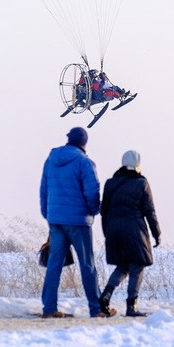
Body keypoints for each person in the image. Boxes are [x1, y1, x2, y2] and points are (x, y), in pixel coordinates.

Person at [39, 127, 115, 318]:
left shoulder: (51, 160)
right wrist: (94, 210)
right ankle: (96, 309)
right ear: (84, 143)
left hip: (55, 220)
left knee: (54, 264)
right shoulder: (85, 162)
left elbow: (43, 190)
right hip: (79, 221)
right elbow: (92, 191)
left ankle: (49, 308)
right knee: (87, 265)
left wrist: (48, 214)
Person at [99, 150, 161, 317]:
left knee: (123, 266)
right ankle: (131, 307)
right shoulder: (141, 183)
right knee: (137, 267)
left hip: (114, 229)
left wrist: (107, 232)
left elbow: (104, 210)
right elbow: (150, 211)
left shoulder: (110, 183)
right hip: (134, 229)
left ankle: (105, 296)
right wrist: (157, 233)